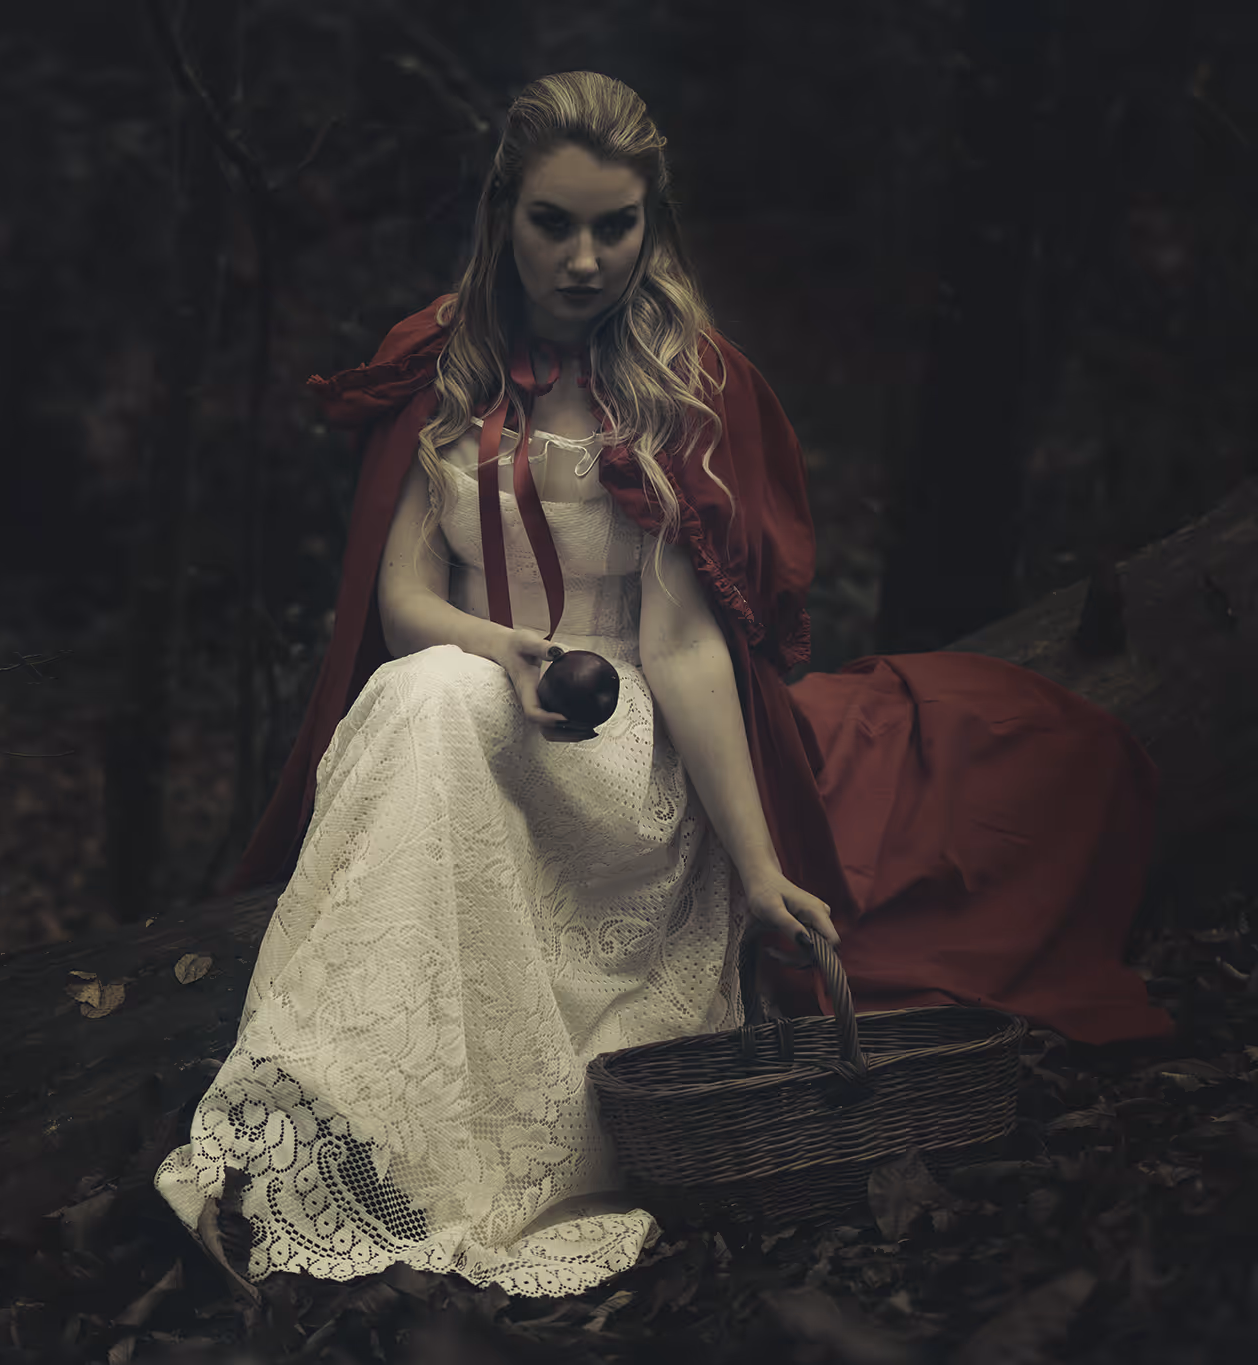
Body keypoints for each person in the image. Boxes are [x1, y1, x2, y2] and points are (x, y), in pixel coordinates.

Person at [156, 71, 1169, 1299]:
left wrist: (754, 869)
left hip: (622, 752)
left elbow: (688, 650)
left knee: (427, 702)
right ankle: (342, 1137)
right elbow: (402, 606)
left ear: (652, 223)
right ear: (500, 215)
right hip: (481, 699)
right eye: (552, 224)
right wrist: (505, 653)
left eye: (613, 226)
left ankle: (426, 1149)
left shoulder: (683, 384)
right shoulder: (441, 362)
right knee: (422, 691)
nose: (584, 260)